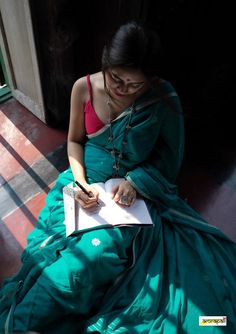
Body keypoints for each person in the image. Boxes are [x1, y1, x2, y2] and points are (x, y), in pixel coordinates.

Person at [0, 21, 235, 334]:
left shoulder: (163, 99)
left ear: (150, 81)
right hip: (83, 182)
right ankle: (17, 322)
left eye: (134, 85)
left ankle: (19, 323)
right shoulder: (83, 87)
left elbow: (169, 159)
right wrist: (81, 183)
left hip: (131, 193)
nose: (122, 89)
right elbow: (73, 142)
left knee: (96, 254)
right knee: (63, 252)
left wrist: (136, 182)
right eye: (116, 79)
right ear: (104, 62)